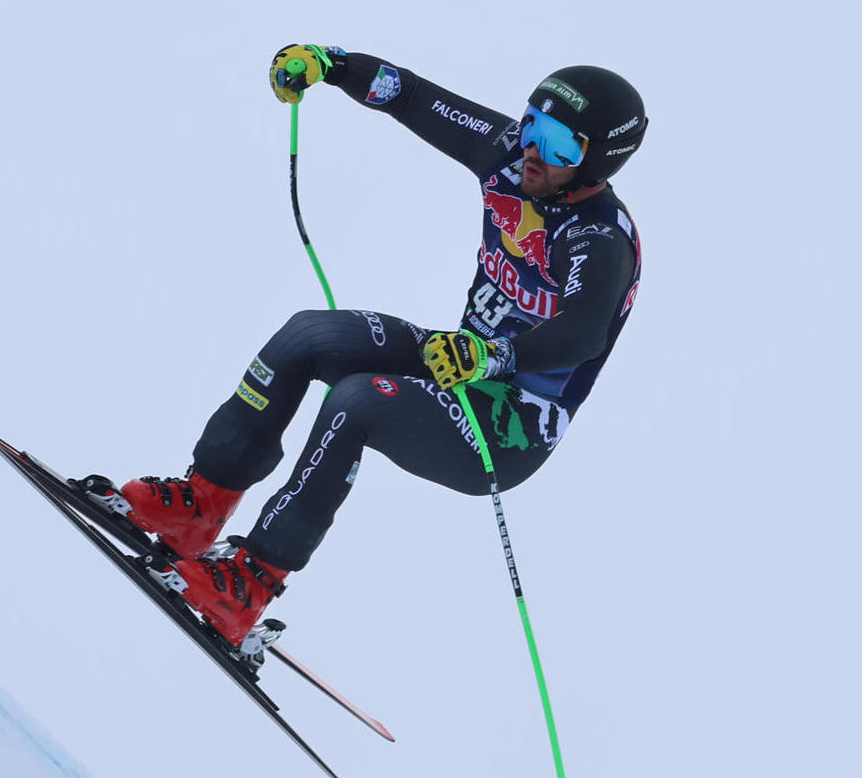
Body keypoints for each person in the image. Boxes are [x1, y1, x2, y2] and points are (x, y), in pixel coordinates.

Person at [78, 46, 646, 652]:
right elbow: (414, 97)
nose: (532, 147)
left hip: (511, 426)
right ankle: (200, 505)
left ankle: (249, 583)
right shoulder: (509, 156)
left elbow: (583, 333)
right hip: (456, 363)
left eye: (557, 145)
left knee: (358, 401)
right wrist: (333, 65)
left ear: (596, 162)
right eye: (532, 123)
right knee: (309, 336)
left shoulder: (599, 237)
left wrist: (492, 357)